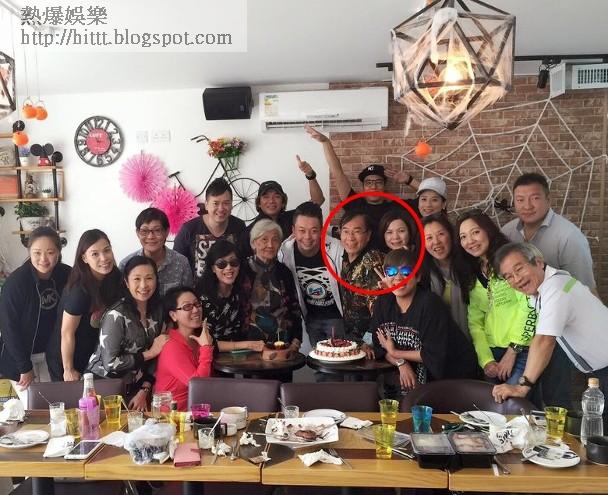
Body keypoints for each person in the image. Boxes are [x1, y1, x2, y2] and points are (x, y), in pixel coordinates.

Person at [501, 172, 596, 408]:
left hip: (560, 330)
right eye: (520, 200)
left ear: (548, 199)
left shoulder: (569, 236)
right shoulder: (508, 232)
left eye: (534, 198)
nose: (527, 205)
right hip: (523, 328)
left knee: (554, 395)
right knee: (525, 398)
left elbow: (587, 288)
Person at [491, 242, 608, 407]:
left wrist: (522, 387)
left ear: (538, 262)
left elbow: (545, 340)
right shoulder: (544, 289)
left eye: (519, 269)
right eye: (509, 276)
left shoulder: (556, 288)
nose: (517, 279)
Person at [372, 249, 478, 397]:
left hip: (454, 379)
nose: (398, 277)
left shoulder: (430, 304)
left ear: (418, 276)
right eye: (391, 272)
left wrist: (396, 353)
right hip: (414, 383)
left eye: (406, 272)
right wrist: (401, 362)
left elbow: (433, 354)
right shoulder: (382, 304)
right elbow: (382, 349)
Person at [456, 210, 536, 386]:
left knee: (513, 399)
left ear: (488, 230)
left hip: (522, 349)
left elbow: (529, 304)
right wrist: (486, 360)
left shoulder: (510, 262)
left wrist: (512, 351)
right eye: (463, 237)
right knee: (491, 401)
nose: (470, 241)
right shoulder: (471, 272)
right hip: (492, 353)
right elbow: (475, 322)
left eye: (475, 232)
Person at [86, 256, 168, 411]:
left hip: (136, 387)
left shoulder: (158, 310)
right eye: (137, 279)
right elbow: (110, 363)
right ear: (126, 282)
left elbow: (158, 355)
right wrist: (149, 353)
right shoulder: (116, 314)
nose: (143, 285)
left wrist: (144, 389)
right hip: (103, 387)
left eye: (149, 278)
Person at [0, 227, 70, 407]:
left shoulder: (67, 275)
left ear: (58, 252)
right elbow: (8, 328)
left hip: (51, 356)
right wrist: (24, 366)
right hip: (21, 357)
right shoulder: (16, 282)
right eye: (37, 253)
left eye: (50, 252)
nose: (43, 259)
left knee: (55, 407)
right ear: (29, 252)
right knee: (33, 409)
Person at [47, 229, 123, 382]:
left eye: (107, 250)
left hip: (91, 354)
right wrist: (68, 369)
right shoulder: (79, 291)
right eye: (95, 254)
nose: (104, 258)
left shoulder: (114, 276)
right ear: (84, 258)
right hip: (66, 358)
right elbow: (67, 333)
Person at [278, 202, 345, 347]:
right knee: (317, 356)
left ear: (321, 230)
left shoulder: (337, 249)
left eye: (314, 231)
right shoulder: (284, 253)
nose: (307, 237)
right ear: (293, 230)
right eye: (301, 230)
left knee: (337, 357)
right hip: (311, 317)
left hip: (338, 317)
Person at [241, 220, 302, 352]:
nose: (270, 245)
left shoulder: (283, 271)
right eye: (264, 239)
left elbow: (294, 307)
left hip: (282, 340)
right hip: (251, 341)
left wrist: (297, 339)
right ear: (254, 243)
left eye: (275, 240)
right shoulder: (243, 269)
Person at [174, 177, 245, 284]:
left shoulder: (239, 227)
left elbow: (244, 260)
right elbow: (177, 264)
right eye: (215, 203)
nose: (221, 208)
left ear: (231, 205)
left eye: (226, 203)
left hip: (232, 290)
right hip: (196, 291)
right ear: (206, 205)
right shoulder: (189, 229)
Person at [196, 240, 264, 352]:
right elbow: (206, 342)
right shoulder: (202, 298)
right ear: (213, 268)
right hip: (208, 356)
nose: (229, 268)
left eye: (234, 262)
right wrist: (247, 345)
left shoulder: (241, 291)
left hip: (238, 355)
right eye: (221, 264)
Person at [154, 286, 214, 410]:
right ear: (173, 315)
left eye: (197, 304)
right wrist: (206, 348)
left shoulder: (197, 338)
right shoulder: (171, 346)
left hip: (195, 411)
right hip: (174, 417)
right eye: (187, 307)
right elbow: (199, 386)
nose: (196, 310)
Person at [244, 155, 324, 245]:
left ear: (283, 202)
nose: (271, 201)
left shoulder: (293, 218)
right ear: (259, 203)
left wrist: (310, 175)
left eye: (276, 196)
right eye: (266, 197)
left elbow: (318, 201)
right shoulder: (250, 231)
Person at [420, 213, 474, 339]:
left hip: (474, 340)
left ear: (451, 234)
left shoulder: (470, 264)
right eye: (429, 238)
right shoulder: (422, 274)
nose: (436, 242)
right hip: (438, 342)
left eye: (441, 234)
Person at [120, 207, 193, 295]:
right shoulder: (126, 264)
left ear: (167, 232)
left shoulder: (181, 263)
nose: (150, 236)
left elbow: (188, 296)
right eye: (144, 231)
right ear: (137, 233)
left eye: (157, 230)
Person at [339, 211, 383, 347]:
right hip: (351, 338)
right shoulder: (345, 259)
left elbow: (379, 310)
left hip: (370, 344)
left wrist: (367, 342)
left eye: (357, 232)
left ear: (368, 235)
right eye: (346, 231)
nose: (350, 237)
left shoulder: (372, 261)